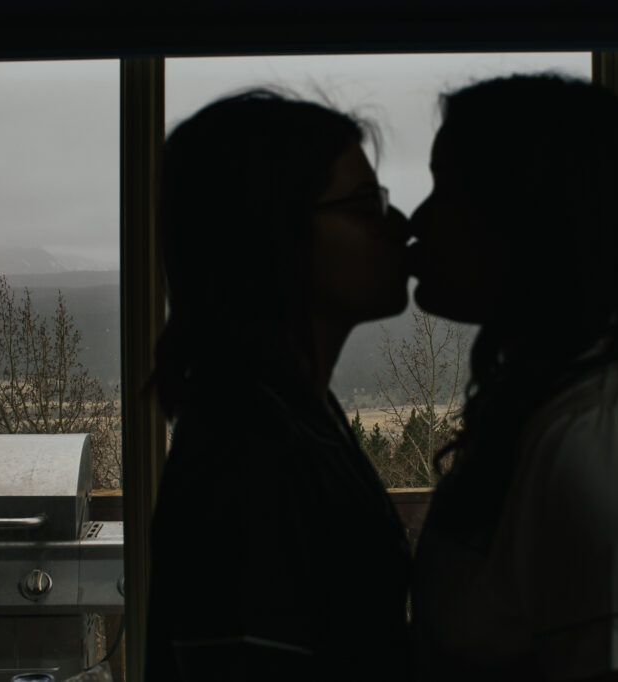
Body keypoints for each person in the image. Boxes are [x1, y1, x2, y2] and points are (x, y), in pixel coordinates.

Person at [407, 73, 618, 681]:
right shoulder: (573, 401)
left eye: (446, 191)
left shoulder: (606, 440)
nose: (416, 220)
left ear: (528, 219)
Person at [145, 89, 412, 681]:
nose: (401, 225)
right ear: (276, 232)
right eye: (367, 207)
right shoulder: (249, 454)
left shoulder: (295, 420)